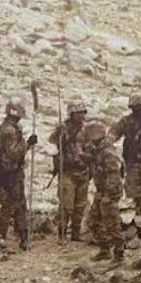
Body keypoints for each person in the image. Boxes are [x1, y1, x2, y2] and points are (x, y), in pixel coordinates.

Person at [0, 97, 37, 249]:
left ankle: (22, 236)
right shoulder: (9, 130)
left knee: (20, 204)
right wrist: (28, 144)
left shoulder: (10, 127)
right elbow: (14, 153)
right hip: (8, 173)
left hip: (13, 171)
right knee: (9, 205)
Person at [49, 101, 91, 241]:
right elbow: (52, 141)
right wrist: (60, 134)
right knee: (66, 205)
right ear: (71, 114)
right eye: (78, 113)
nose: (81, 116)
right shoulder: (64, 128)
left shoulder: (87, 129)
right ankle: (62, 233)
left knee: (80, 205)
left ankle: (75, 233)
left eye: (82, 113)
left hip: (83, 171)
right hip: (67, 172)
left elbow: (91, 148)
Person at [86, 121, 124, 262]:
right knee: (93, 221)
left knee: (112, 223)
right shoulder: (98, 149)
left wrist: (109, 195)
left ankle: (119, 254)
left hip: (110, 192)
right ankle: (104, 250)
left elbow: (114, 174)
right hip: (102, 191)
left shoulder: (107, 151)